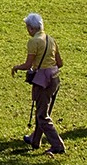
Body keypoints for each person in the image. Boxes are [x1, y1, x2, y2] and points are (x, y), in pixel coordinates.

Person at [11, 11, 65, 155]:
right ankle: (35, 139)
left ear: (31, 28)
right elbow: (60, 63)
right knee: (43, 110)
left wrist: (16, 67)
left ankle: (57, 145)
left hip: (43, 81)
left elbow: (28, 64)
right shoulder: (51, 39)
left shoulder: (33, 42)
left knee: (42, 115)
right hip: (55, 78)